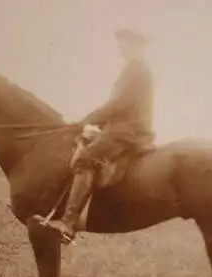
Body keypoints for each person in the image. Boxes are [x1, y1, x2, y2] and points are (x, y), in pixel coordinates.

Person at [46, 28, 155, 244]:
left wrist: (88, 119)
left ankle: (69, 224)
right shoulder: (134, 69)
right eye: (120, 42)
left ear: (135, 45)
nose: (120, 46)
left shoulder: (136, 69)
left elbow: (119, 104)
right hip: (124, 127)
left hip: (128, 130)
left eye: (124, 42)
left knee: (86, 158)